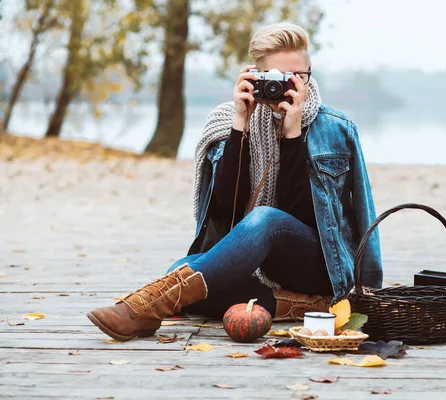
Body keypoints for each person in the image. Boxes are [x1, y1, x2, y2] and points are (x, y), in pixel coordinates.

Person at [87, 22, 382, 342]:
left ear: (309, 73)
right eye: (279, 79)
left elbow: (356, 214)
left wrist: (293, 133)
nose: (290, 87)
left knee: (265, 219)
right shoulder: (228, 120)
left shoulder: (337, 129)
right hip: (256, 259)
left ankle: (141, 310)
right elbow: (223, 213)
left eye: (299, 77)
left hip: (316, 263)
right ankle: (299, 306)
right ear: (257, 76)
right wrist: (239, 125)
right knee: (180, 268)